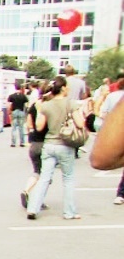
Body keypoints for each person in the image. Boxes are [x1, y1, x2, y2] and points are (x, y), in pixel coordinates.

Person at [26, 76, 85, 220]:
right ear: (63, 88)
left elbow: (39, 126)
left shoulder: (46, 105)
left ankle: (32, 208)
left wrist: (39, 110)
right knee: (68, 179)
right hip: (65, 145)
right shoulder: (70, 103)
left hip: (48, 145)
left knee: (44, 178)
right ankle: (69, 212)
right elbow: (80, 123)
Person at [21, 83, 52, 210]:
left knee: (37, 171)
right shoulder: (49, 107)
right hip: (46, 143)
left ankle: (27, 190)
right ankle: (36, 197)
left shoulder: (34, 105)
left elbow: (29, 124)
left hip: (34, 143)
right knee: (45, 175)